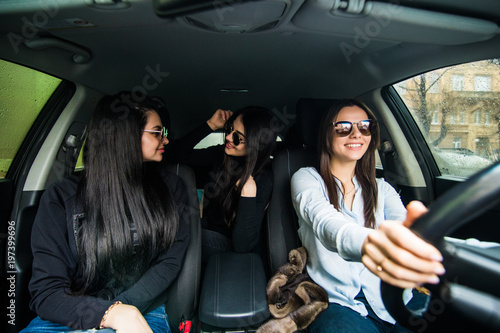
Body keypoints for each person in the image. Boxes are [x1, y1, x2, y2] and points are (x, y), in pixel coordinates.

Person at [21, 92, 190, 333]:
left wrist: (122, 311)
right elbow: (47, 290)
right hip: (66, 316)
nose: (166, 140)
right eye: (157, 132)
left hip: (142, 311)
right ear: (126, 136)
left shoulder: (171, 189)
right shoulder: (61, 197)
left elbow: (170, 261)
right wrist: (105, 314)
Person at [290, 99, 445, 332]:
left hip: (397, 296)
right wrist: (375, 244)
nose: (356, 134)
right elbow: (326, 224)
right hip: (340, 302)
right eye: (343, 127)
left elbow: (404, 226)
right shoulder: (306, 179)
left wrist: (418, 242)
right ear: (326, 134)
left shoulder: (383, 188)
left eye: (365, 126)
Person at [166, 107, 277, 261]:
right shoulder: (221, 155)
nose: (229, 137)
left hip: (232, 245)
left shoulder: (264, 178)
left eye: (238, 137)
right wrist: (210, 126)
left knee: (175, 236)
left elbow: (242, 246)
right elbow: (173, 156)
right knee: (168, 229)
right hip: (208, 229)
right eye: (230, 129)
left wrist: (248, 195)